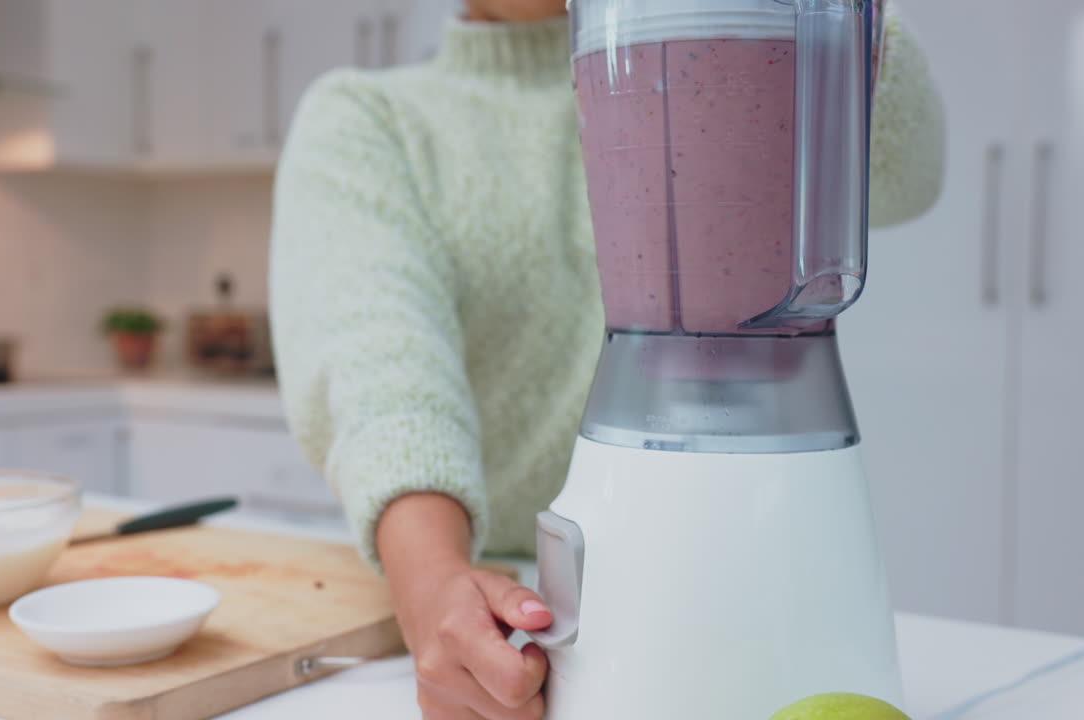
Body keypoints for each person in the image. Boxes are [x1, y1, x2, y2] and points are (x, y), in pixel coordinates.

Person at [269, 0, 944, 717]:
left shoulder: (755, 40)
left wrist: (839, 23)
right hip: (497, 598)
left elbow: (910, 171)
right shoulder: (368, 119)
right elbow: (386, 388)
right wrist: (436, 586)